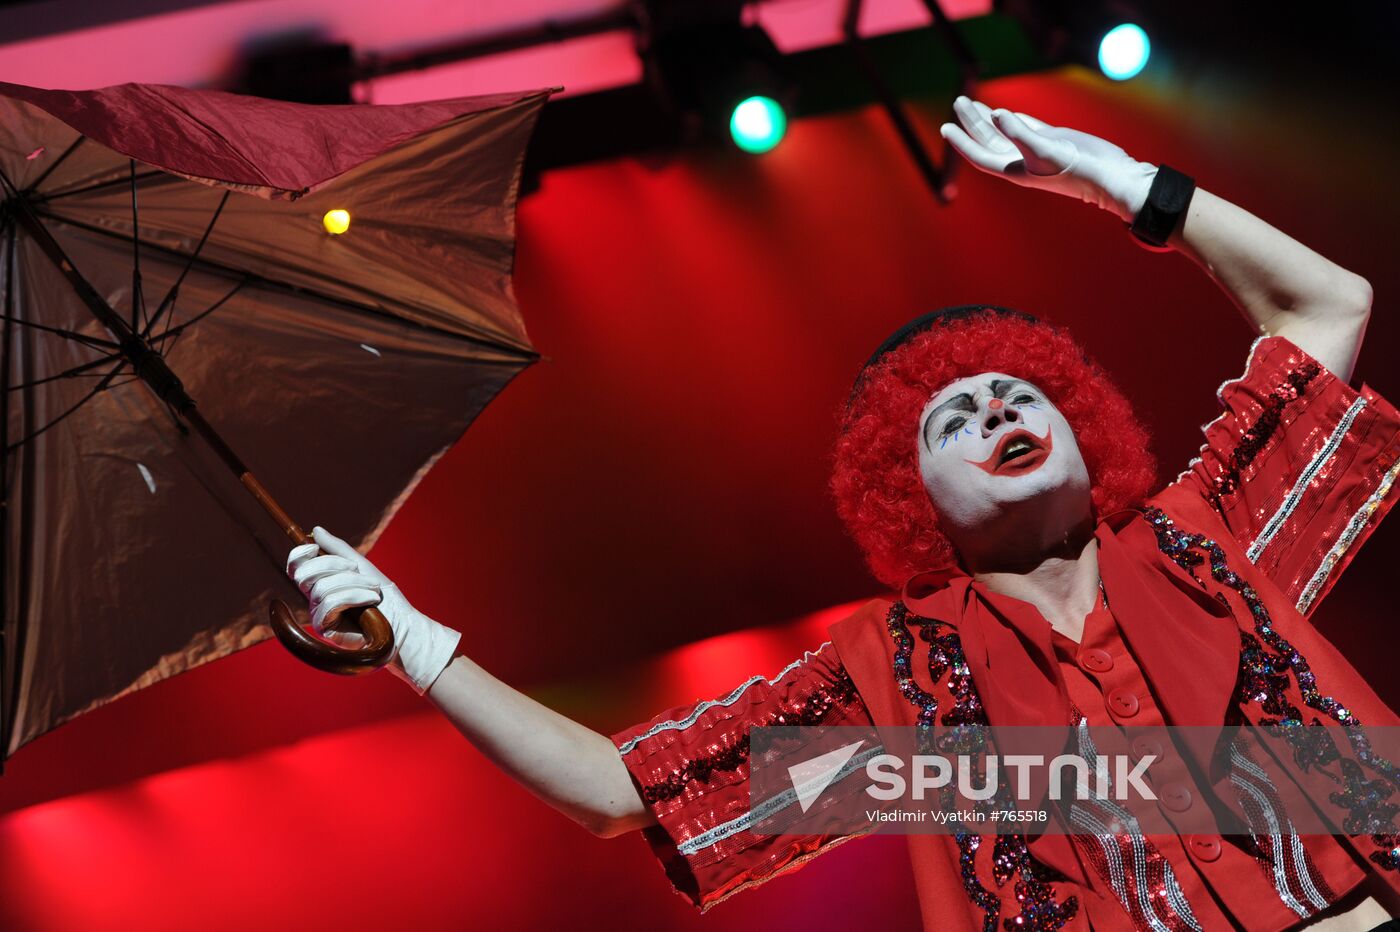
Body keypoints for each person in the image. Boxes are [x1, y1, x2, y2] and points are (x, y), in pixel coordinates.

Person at [284, 97, 1397, 930]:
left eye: (1017, 391)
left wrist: (1131, 190)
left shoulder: (1207, 539)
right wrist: (413, 643)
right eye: (949, 417)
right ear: (914, 503)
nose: (996, 406)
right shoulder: (899, 696)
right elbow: (619, 790)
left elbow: (1325, 302)